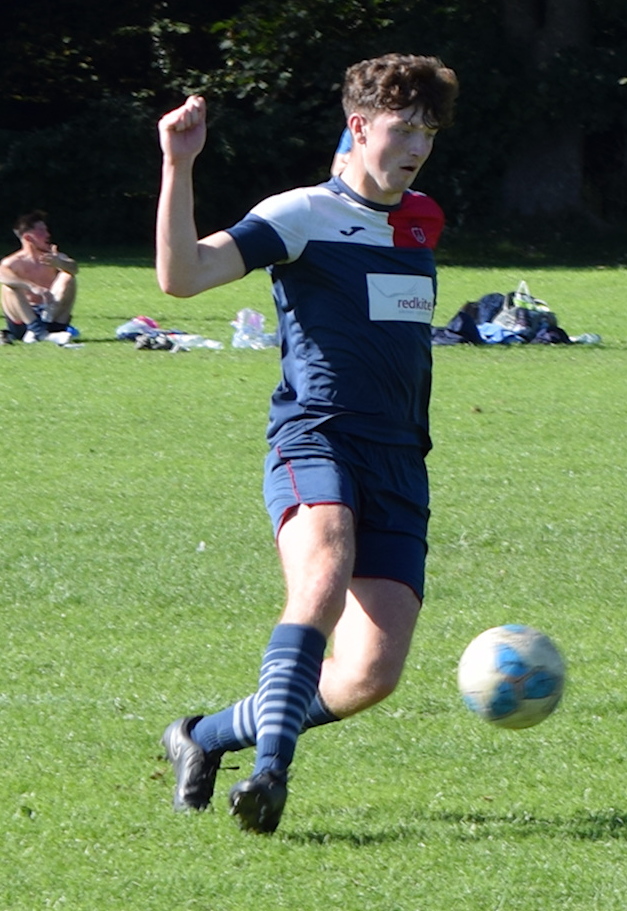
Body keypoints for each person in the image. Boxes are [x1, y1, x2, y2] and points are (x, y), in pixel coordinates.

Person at [157, 54, 456, 835]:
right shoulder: (300, 214)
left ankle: (204, 735)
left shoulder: (422, 218)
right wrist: (178, 166)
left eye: (428, 131)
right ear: (359, 125)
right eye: (402, 128)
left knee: (370, 673)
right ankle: (270, 774)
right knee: (320, 580)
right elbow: (182, 277)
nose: (416, 145)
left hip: (400, 458)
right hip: (316, 436)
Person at [0, 211, 79, 343]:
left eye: (46, 230)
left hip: (51, 315)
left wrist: (60, 263)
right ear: (28, 238)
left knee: (68, 277)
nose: (48, 235)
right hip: (24, 319)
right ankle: (37, 330)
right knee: (9, 286)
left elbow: (74, 268)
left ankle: (42, 329)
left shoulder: (53, 257)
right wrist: (33, 287)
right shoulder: (15, 261)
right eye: (41, 231)